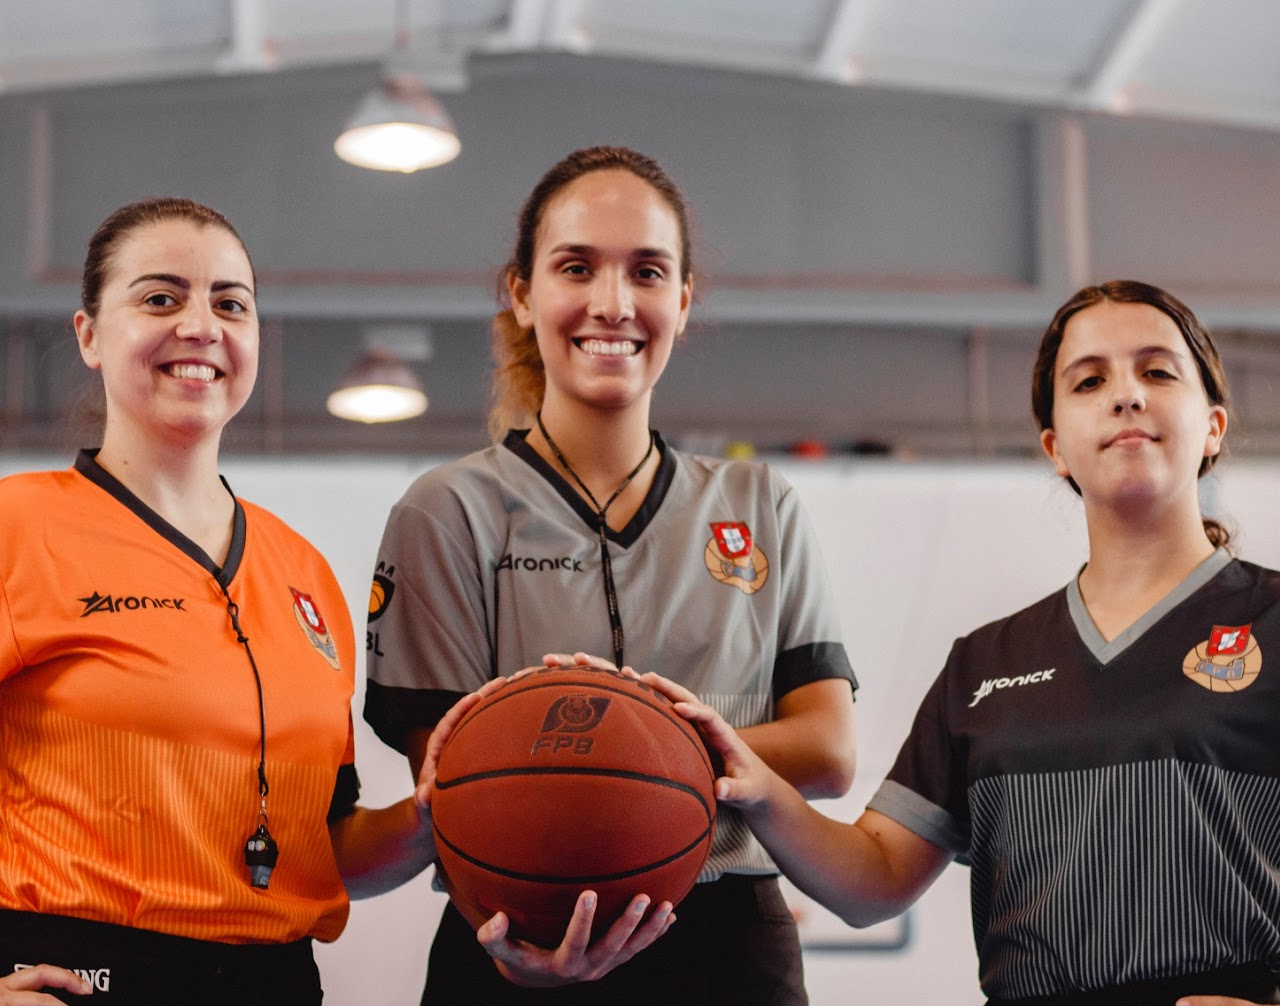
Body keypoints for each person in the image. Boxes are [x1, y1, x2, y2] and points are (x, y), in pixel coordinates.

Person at [647, 279, 1280, 1006]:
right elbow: (874, 877)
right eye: (1090, 380)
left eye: (1158, 371)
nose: (1126, 395)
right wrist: (756, 787)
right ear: (1055, 448)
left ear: (1213, 427)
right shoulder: (985, 665)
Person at [362, 145, 858, 1004]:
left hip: (727, 939)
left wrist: (634, 748)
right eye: (577, 267)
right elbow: (456, 779)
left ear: (683, 299)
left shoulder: (757, 501)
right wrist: (657, 752)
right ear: (521, 294)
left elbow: (827, 747)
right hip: (515, 934)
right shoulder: (445, 511)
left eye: (648, 272)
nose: (613, 303)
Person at [0, 198, 434, 1006]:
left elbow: (325, 845)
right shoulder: (17, 527)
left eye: (230, 303)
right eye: (160, 298)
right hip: (84, 977)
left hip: (275, 982)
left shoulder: (301, 569)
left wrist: (436, 815)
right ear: (90, 335)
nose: (201, 326)